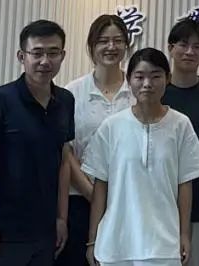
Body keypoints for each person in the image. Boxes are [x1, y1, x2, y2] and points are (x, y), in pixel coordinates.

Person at [83, 47, 199, 266]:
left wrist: (184, 234)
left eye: (156, 76)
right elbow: (100, 186)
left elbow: (185, 185)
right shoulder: (112, 126)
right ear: (129, 80)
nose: (147, 84)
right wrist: (92, 240)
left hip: (164, 245)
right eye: (139, 77)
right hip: (116, 244)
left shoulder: (180, 125)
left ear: (167, 79)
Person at [0, 19, 74, 266]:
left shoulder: (65, 101)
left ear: (62, 55)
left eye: (53, 53)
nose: (45, 61)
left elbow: (64, 162)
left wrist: (61, 219)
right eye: (37, 53)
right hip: (2, 232)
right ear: (22, 56)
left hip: (45, 232)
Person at [59, 15, 133, 266]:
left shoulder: (137, 90)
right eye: (103, 41)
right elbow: (66, 150)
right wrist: (91, 192)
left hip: (127, 199)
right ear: (91, 46)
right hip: (80, 198)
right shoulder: (72, 92)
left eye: (118, 40)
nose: (111, 47)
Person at [162, 17, 199, 266]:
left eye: (198, 47)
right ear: (170, 47)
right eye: (183, 44)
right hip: (161, 195)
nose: (189, 51)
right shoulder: (156, 92)